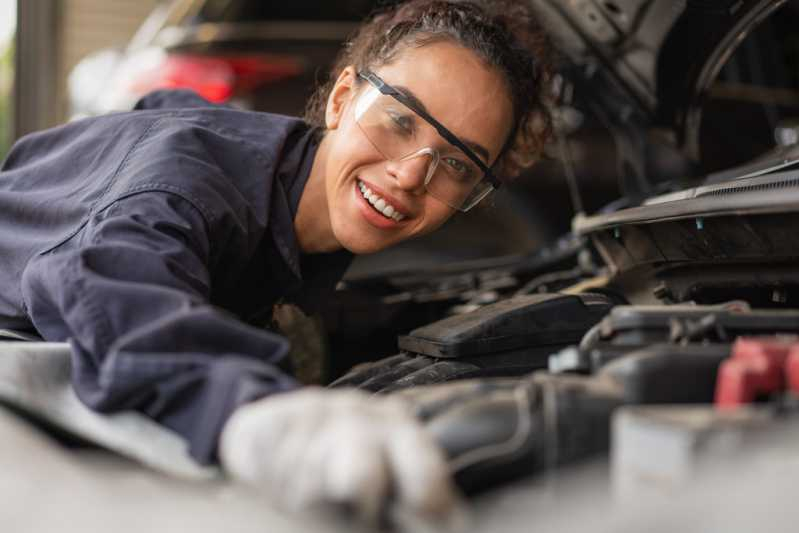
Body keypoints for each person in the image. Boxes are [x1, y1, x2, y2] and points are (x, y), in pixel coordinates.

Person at [0, 0, 552, 524]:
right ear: (341, 98)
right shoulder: (190, 185)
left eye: (456, 162)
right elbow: (115, 287)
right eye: (400, 121)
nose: (411, 176)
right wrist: (257, 412)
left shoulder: (284, 195)